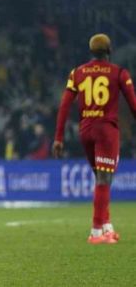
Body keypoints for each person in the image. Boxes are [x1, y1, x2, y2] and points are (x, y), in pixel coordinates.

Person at [53, 33, 136, 244]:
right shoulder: (119, 73)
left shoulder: (77, 72)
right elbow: (133, 105)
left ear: (91, 51)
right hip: (106, 130)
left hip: (86, 131)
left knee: (101, 179)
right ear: (109, 50)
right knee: (104, 179)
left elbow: (64, 105)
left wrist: (58, 137)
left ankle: (107, 226)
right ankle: (96, 232)